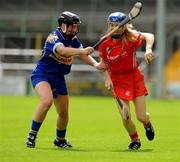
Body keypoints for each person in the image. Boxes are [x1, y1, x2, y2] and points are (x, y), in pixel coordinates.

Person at [26, 11, 105, 148]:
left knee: (63, 112)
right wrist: (81, 51)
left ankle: (60, 140)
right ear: (63, 25)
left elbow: (83, 55)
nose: (75, 29)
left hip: (58, 77)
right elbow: (62, 51)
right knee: (46, 101)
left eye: (76, 27)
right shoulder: (54, 37)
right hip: (42, 74)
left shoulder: (73, 40)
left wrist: (96, 64)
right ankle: (32, 135)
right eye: (72, 26)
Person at [98, 12, 155, 150]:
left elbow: (150, 36)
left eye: (116, 25)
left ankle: (147, 124)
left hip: (135, 78)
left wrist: (148, 49)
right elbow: (103, 63)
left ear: (123, 26)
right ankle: (135, 140)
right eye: (110, 25)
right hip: (117, 81)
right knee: (125, 116)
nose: (113, 28)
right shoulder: (104, 42)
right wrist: (107, 78)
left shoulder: (131, 37)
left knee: (141, 116)